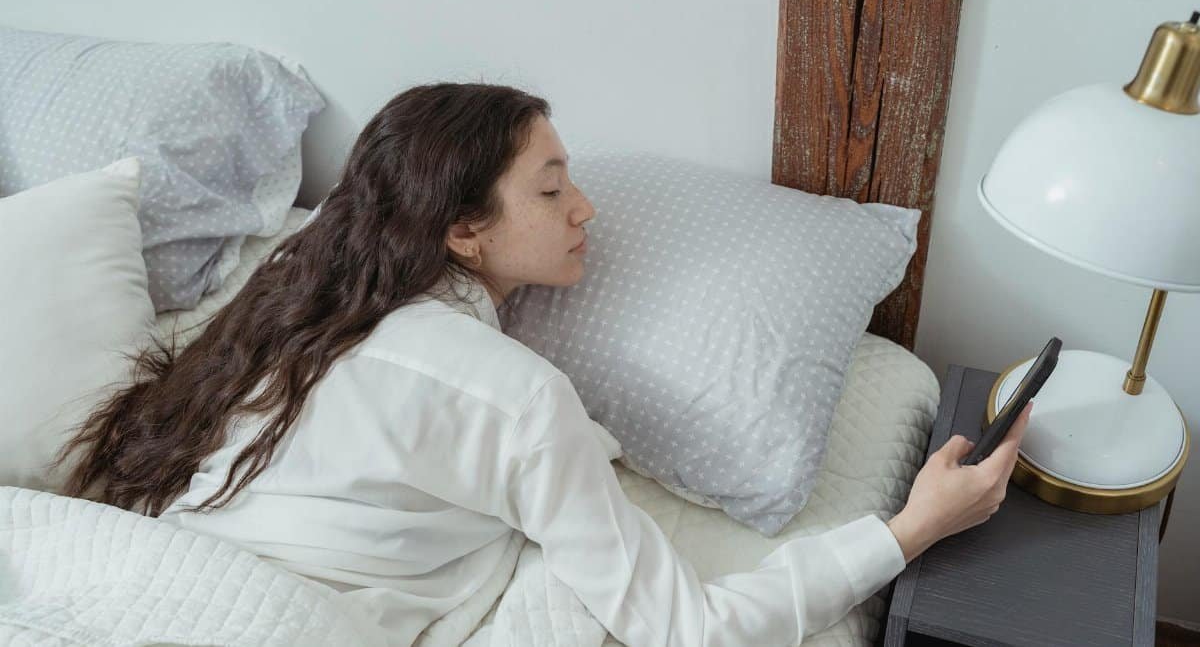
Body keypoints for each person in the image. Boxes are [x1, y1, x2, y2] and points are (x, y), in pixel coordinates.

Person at [52, 82, 1033, 647]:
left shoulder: (289, 295)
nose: (586, 209)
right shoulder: (516, 398)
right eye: (552, 189)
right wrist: (909, 529)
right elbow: (687, 629)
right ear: (463, 229)